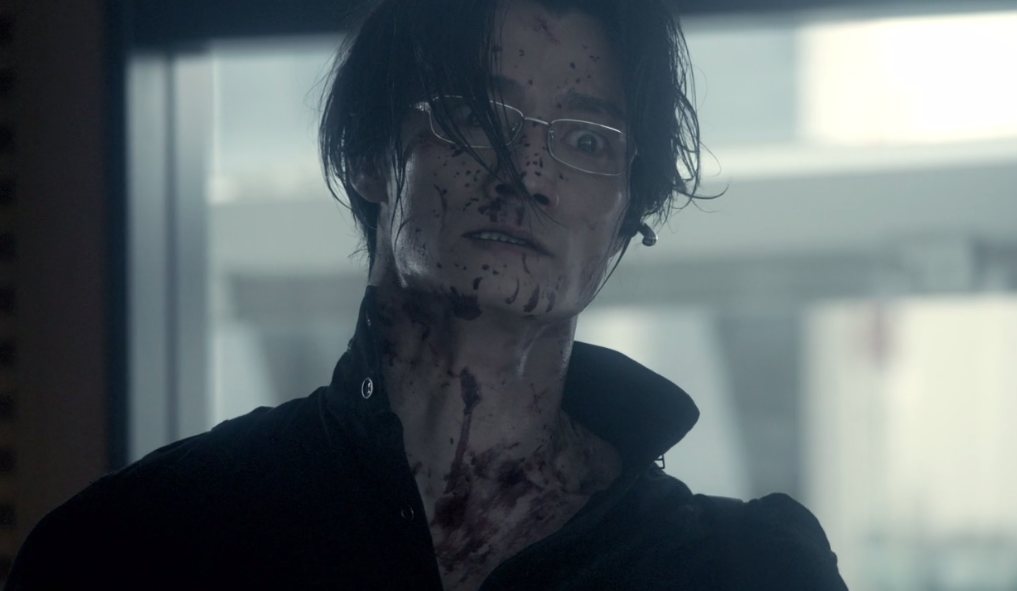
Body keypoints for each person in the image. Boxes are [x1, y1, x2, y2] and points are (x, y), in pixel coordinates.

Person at [8, 0, 849, 589]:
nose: (527, 172)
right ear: (371, 157)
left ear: (626, 216)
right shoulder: (138, 544)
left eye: (588, 139)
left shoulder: (749, 570)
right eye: (473, 115)